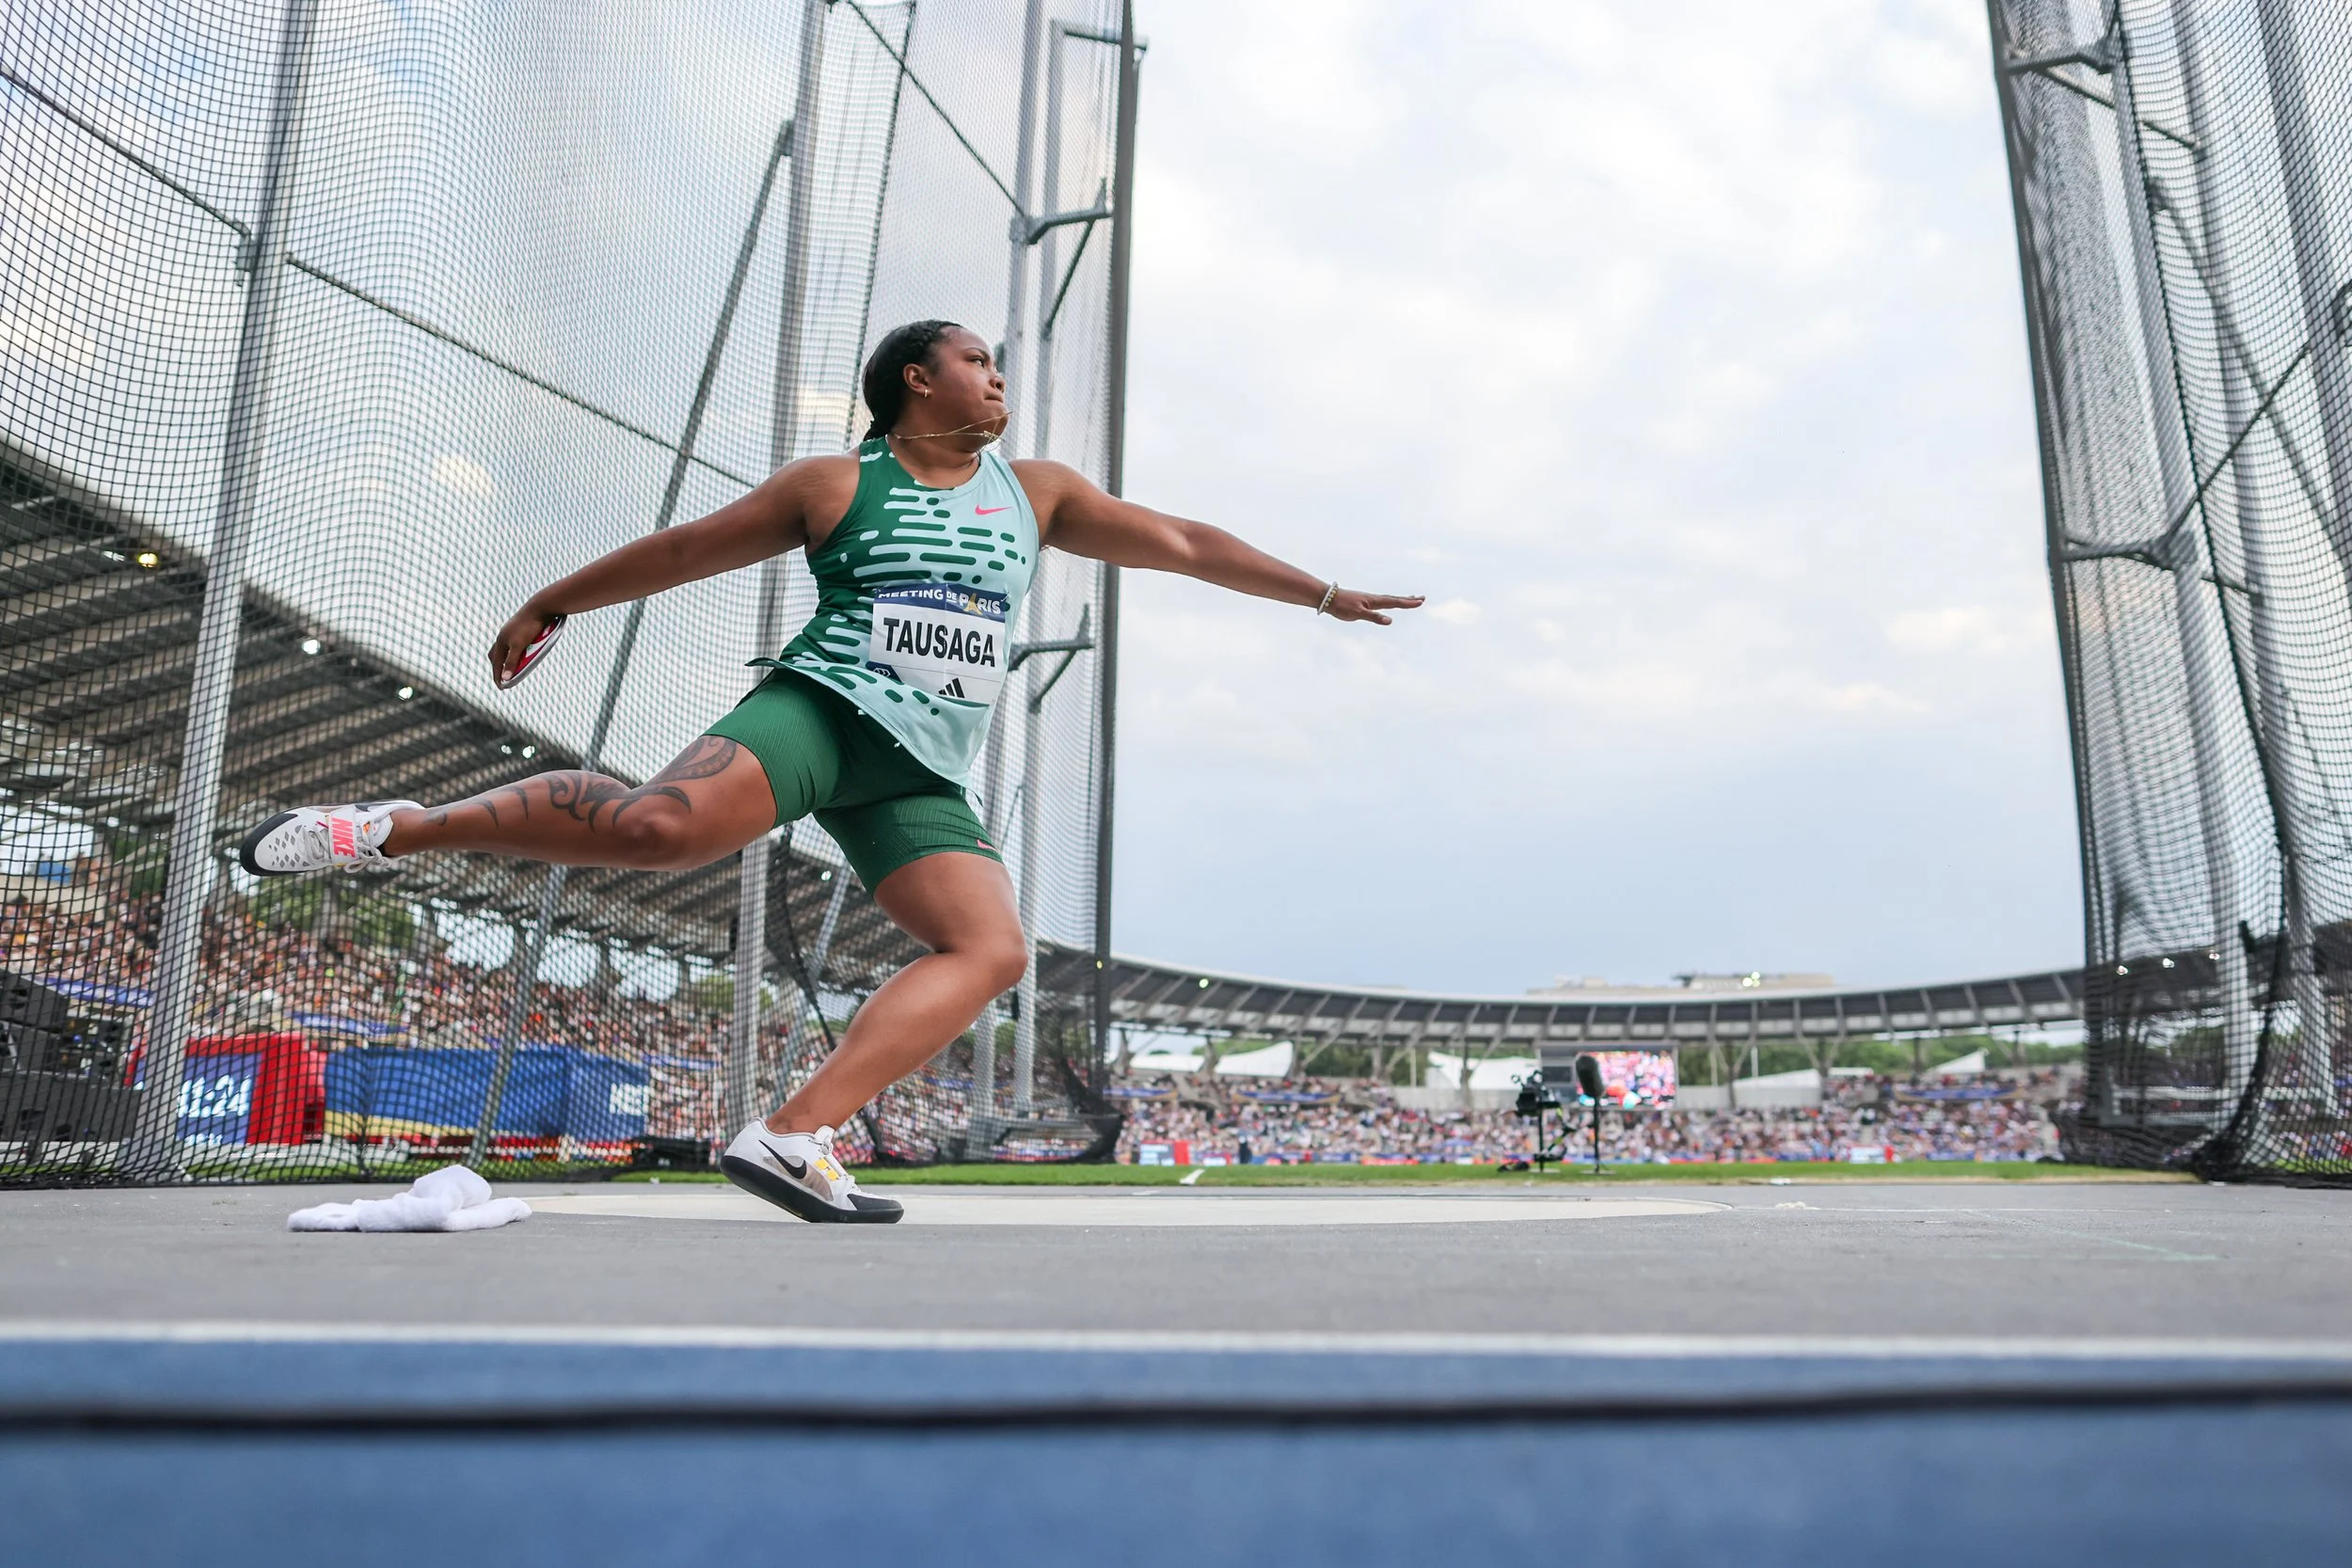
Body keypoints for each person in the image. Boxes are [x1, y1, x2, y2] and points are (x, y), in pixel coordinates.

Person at [241, 320, 1422, 1223]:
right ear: (918, 378)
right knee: (660, 830)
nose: (998, 379)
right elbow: (687, 548)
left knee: (990, 948)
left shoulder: (1040, 492)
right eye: (978, 361)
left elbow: (1182, 543)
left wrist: (1320, 590)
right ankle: (396, 827)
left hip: (922, 767)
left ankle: (791, 1134)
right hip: (824, 709)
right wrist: (556, 597)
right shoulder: (836, 486)